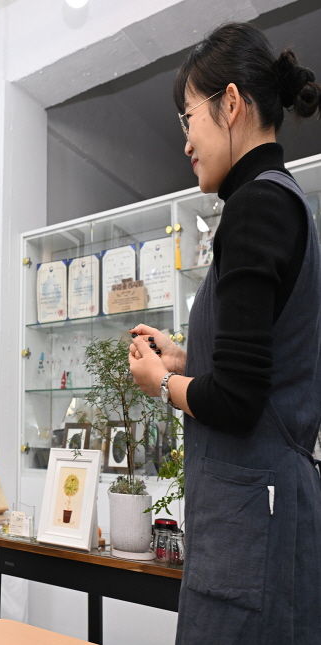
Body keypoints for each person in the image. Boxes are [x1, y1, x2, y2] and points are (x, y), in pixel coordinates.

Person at [128, 23, 321, 644]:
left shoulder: (257, 208)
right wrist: (187, 358)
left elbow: (238, 400)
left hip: (254, 523)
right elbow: (260, 365)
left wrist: (161, 384)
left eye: (189, 118)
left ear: (230, 103)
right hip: (260, 511)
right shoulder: (278, 201)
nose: (186, 141)